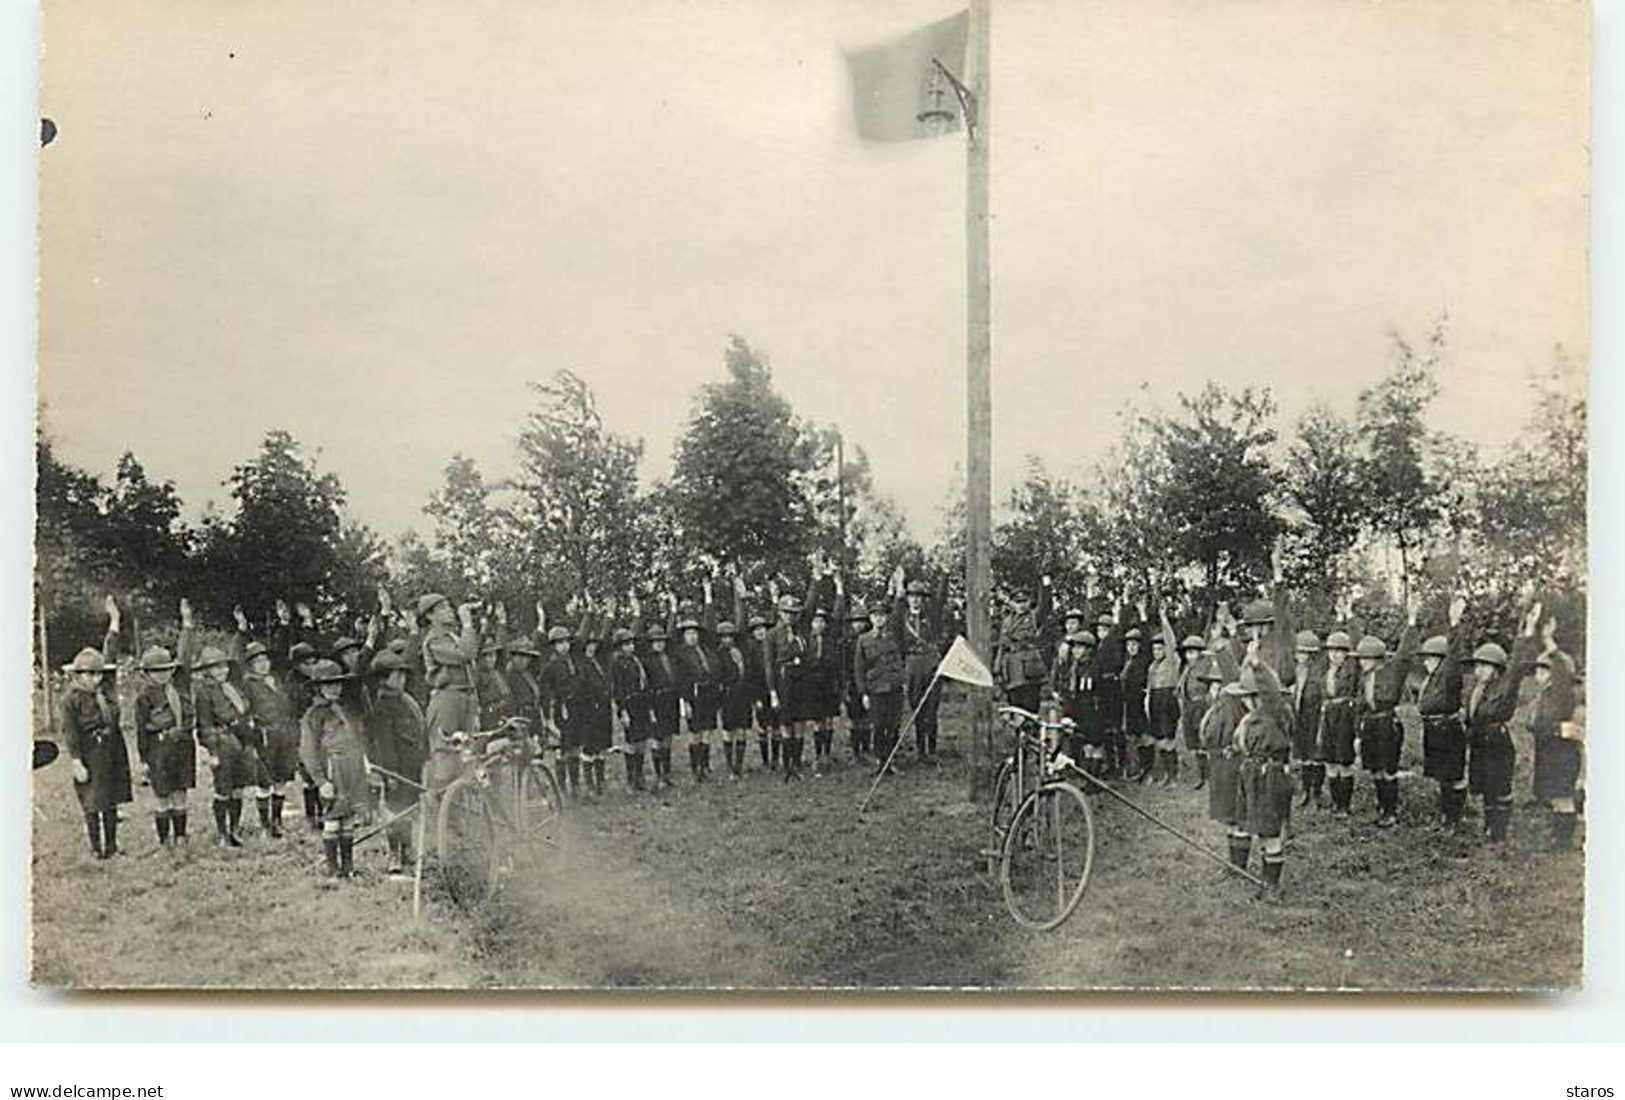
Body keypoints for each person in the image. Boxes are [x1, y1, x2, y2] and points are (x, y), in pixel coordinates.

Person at [58, 598, 132, 860]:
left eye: (97, 673)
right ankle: (96, 848)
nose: (93, 678)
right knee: (92, 800)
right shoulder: (71, 699)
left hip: (112, 748)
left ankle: (111, 846)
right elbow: (70, 733)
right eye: (87, 674)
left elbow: (109, 652)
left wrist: (115, 621)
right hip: (89, 750)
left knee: (110, 799)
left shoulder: (106, 688)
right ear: (77, 675)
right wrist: (77, 761)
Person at [192, 620, 261, 848]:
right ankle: (222, 832)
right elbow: (203, 725)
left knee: (240, 788)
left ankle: (234, 829)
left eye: (224, 666)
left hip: (242, 740)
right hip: (222, 742)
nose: (222, 671)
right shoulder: (204, 693)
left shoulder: (234, 687)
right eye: (216, 668)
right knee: (224, 788)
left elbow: (245, 710)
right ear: (207, 671)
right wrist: (212, 751)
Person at [301, 659, 371, 878]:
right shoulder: (313, 715)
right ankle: (333, 869)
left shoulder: (345, 709)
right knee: (332, 817)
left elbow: (357, 738)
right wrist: (321, 782)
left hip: (353, 766)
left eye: (337, 684)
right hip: (333, 768)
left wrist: (365, 764)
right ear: (318, 687)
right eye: (328, 684)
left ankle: (348, 867)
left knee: (348, 816)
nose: (334, 689)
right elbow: (308, 752)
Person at [1227, 666, 1295, 889]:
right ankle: (1239, 870)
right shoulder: (1249, 718)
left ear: (1260, 697)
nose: (1245, 702)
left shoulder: (1277, 713)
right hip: (1251, 775)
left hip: (1271, 778)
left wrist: (1257, 666)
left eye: (1248, 697)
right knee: (1245, 822)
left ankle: (1271, 885)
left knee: (1269, 832)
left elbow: (1271, 693)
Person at [1353, 605, 1419, 829]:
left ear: (1377, 658)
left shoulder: (1392, 671)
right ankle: (1382, 807)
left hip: (1387, 724)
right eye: (1360, 658)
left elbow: (1405, 653)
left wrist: (1411, 623)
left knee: (1388, 769)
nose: (1361, 662)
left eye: (1365, 658)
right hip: (1370, 723)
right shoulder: (1365, 677)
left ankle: (1391, 812)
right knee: (1375, 768)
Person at [364, 649, 428, 878]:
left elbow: (420, 732)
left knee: (409, 808)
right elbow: (384, 744)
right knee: (394, 811)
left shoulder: (407, 702)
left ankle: (408, 848)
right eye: (396, 675)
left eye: (403, 675)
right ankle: (394, 854)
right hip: (396, 769)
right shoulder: (382, 707)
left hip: (412, 765)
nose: (402, 679)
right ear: (383, 679)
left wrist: (424, 759)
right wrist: (389, 774)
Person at [132, 628, 195, 847]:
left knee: (180, 792)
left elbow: (186, 656)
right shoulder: (144, 697)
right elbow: (141, 729)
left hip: (183, 746)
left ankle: (180, 835)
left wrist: (187, 626)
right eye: (156, 671)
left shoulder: (179, 688)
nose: (162, 675)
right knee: (163, 795)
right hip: (159, 748)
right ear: (147, 673)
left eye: (166, 670)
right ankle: (164, 839)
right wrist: (143, 759)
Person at [1413, 595, 1469, 828]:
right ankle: (1446, 816)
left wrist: (1454, 623)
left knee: (1453, 776)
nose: (1426, 662)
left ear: (1441, 660)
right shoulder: (1431, 678)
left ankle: (1454, 819)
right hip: (1433, 730)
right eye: (1425, 658)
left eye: (1432, 658)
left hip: (1448, 730)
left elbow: (1454, 657)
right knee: (1442, 776)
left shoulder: (1448, 676)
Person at [419, 594, 482, 790]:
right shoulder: (435, 639)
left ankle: (463, 813)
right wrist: (467, 625)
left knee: (467, 757)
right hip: (448, 700)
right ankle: (444, 815)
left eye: (449, 606)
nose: (450, 610)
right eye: (443, 608)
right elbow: (466, 654)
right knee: (446, 759)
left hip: (465, 697)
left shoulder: (452, 636)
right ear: (430, 616)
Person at [1198, 656, 1249, 870]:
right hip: (1219, 763)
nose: (1215, 687)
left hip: (1232, 764)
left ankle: (1239, 865)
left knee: (1237, 815)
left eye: (1219, 683)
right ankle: (1233, 864)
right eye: (1212, 683)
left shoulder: (1236, 704)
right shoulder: (1215, 704)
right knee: (1227, 815)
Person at [896, 568, 948, 762]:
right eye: (912, 596)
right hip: (912, 664)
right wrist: (899, 585)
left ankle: (932, 750)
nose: (916, 600)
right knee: (917, 707)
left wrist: (945, 574)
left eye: (919, 596)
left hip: (931, 663)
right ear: (907, 599)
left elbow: (941, 599)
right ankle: (920, 750)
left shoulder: (931, 615)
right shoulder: (902, 618)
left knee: (932, 709)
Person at [674, 586, 723, 784]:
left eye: (695, 633)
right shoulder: (680, 653)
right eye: (689, 633)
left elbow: (710, 625)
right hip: (693, 695)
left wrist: (708, 596)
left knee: (707, 732)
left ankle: (705, 765)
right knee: (695, 732)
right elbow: (680, 680)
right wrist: (685, 702)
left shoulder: (706, 650)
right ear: (684, 635)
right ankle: (696, 769)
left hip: (710, 693)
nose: (693, 636)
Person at [855, 599, 906, 775]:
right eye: (875, 616)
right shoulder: (863, 640)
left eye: (882, 616)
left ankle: (890, 761)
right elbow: (859, 669)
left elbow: (901, 659)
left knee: (893, 727)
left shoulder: (894, 637)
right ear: (870, 618)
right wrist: (863, 694)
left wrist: (902, 681)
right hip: (875, 689)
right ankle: (880, 761)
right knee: (878, 727)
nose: (879, 619)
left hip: (894, 688)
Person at [1316, 629, 1360, 819]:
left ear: (1346, 653)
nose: (1334, 655)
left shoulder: (1351, 671)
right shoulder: (1326, 672)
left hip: (1345, 715)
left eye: (1339, 651)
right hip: (1328, 715)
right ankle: (1335, 802)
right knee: (1329, 760)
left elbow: (1357, 642)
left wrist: (1346, 616)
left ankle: (1344, 805)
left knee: (1344, 760)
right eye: (1331, 650)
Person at [539, 623, 586, 796]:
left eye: (566, 641)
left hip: (577, 708)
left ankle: (574, 785)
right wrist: (548, 718)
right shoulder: (550, 666)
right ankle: (561, 788)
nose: (564, 646)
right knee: (562, 749)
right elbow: (545, 694)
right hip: (562, 709)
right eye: (559, 643)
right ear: (553, 646)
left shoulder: (573, 660)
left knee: (575, 747)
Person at [994, 576, 1053, 715]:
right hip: (1011, 669)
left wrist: (1046, 584)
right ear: (1012, 604)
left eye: (1024, 601)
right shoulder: (1007, 621)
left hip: (1028, 670)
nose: (1021, 605)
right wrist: (997, 667)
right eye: (1017, 602)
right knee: (1015, 709)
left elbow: (1046, 604)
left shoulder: (1033, 617)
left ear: (1029, 602)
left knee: (1030, 709)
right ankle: (1018, 736)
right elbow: (1002, 645)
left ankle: (1030, 734)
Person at [770, 591, 811, 781]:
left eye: (793, 613)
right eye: (786, 612)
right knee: (786, 723)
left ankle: (797, 763)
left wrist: (817, 579)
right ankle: (788, 767)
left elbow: (809, 606)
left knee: (800, 721)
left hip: (801, 678)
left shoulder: (801, 631)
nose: (790, 616)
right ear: (779, 613)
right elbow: (768, 665)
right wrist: (772, 692)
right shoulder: (772, 635)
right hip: (783, 679)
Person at [575, 611, 615, 797]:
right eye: (588, 646)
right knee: (589, 746)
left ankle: (600, 782)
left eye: (593, 646)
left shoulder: (599, 661)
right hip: (588, 709)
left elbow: (605, 636)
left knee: (601, 746)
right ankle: (589, 784)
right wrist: (589, 613)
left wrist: (609, 615)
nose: (591, 649)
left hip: (603, 708)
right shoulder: (580, 663)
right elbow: (581, 636)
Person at [609, 626, 653, 791]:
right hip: (628, 704)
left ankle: (640, 775)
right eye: (626, 644)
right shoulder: (617, 663)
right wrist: (623, 711)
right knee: (631, 742)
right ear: (620, 646)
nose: (630, 647)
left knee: (642, 740)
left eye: (631, 644)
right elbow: (618, 689)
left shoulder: (635, 660)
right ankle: (631, 777)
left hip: (641, 702)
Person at [1146, 604, 1184, 785]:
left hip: (1168, 699)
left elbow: (1171, 642)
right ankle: (1166, 775)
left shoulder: (1171, 661)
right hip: (1155, 701)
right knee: (1159, 739)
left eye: (1160, 649)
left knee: (1169, 739)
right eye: (1154, 649)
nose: (1157, 652)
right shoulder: (1152, 666)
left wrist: (1164, 620)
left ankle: (1173, 775)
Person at [1287, 630, 1326, 807]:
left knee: (1316, 754)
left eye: (1304, 652)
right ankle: (1305, 790)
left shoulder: (1319, 671)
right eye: (1298, 652)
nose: (1300, 656)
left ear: (1312, 654)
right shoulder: (1294, 670)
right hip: (1299, 715)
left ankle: (1316, 792)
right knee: (1303, 754)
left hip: (1315, 715)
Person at [643, 622, 681, 790]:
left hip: (670, 699)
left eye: (662, 640)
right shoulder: (646, 661)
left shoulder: (669, 657)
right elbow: (645, 686)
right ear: (651, 642)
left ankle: (667, 774)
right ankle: (658, 776)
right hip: (655, 701)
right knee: (656, 739)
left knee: (668, 738)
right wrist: (650, 709)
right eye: (656, 641)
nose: (660, 643)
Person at [715, 619, 754, 780]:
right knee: (728, 730)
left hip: (743, 694)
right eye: (724, 637)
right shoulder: (718, 655)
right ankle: (731, 767)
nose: (728, 640)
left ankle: (739, 765)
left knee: (742, 730)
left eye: (730, 636)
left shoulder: (741, 651)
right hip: (728, 695)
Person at [1091, 607, 1126, 779]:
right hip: (1103, 690)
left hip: (1112, 688)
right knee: (1106, 729)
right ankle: (1112, 765)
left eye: (1104, 629)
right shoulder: (1099, 647)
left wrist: (1117, 614)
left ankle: (1120, 765)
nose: (1100, 632)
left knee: (1115, 728)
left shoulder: (1113, 643)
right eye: (1099, 629)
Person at [1175, 631, 1211, 789]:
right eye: (1187, 653)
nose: (1190, 656)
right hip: (1189, 707)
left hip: (1201, 706)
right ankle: (1198, 776)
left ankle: (1207, 776)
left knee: (1203, 740)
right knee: (1192, 743)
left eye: (1193, 653)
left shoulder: (1207, 667)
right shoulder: (1186, 670)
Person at [842, 594, 874, 763]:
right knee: (854, 718)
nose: (859, 624)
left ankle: (866, 749)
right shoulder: (847, 642)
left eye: (862, 620)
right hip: (852, 684)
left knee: (867, 718)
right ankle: (856, 751)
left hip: (869, 681)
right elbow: (843, 666)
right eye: (856, 621)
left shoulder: (870, 639)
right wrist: (844, 686)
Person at [1121, 621, 1154, 782]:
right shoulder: (1127, 662)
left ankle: (1149, 771)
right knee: (1135, 738)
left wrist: (1143, 617)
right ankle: (1140, 770)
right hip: (1130, 705)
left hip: (1142, 703)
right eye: (1129, 645)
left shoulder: (1144, 660)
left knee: (1146, 737)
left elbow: (1148, 639)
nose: (1132, 647)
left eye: (1134, 644)